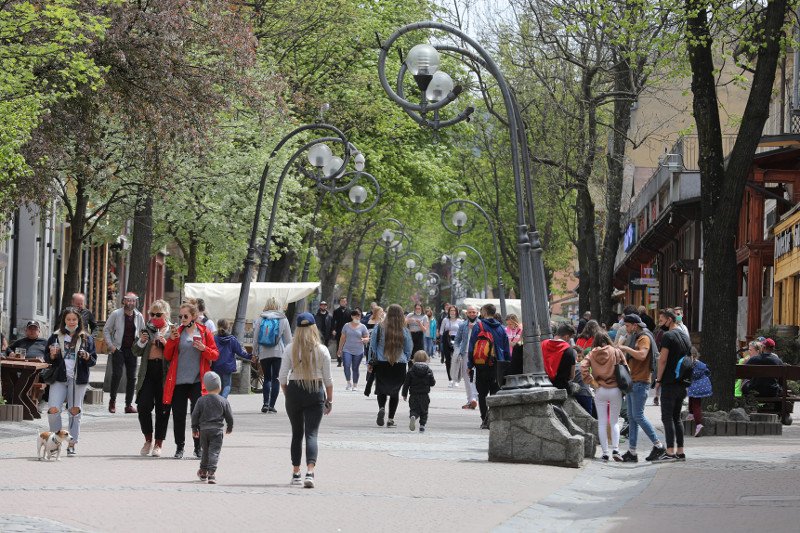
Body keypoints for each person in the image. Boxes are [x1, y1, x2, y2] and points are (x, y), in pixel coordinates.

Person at [279, 312, 334, 489]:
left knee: (296, 433)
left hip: (295, 390)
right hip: (315, 390)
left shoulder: (290, 348)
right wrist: (329, 400)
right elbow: (328, 380)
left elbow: (282, 377)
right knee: (312, 434)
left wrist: (288, 394)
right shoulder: (322, 350)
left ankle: (296, 473)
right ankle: (310, 472)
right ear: (313, 328)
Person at [163, 301, 219, 460]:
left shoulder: (204, 332)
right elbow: (167, 356)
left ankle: (197, 447)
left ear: (194, 316)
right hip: (179, 381)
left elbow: (215, 355)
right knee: (179, 415)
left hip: (197, 381)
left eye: (185, 316)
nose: (182, 319)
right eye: (180, 316)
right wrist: (172, 340)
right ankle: (179, 447)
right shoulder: (177, 332)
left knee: (198, 416)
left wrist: (204, 348)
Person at [45, 307, 97, 456]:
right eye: (68, 319)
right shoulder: (55, 337)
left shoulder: (86, 338)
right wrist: (52, 355)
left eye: (74, 319)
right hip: (59, 378)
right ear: (64, 321)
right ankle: (55, 442)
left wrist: (87, 356)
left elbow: (93, 361)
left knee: (75, 411)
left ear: (79, 321)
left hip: (77, 379)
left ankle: (72, 444)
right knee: (53, 409)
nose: (71, 322)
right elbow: (47, 359)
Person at [617, 314, 665, 463]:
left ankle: (659, 445)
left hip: (641, 382)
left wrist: (624, 347)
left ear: (635, 325)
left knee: (638, 416)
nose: (626, 328)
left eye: (628, 325)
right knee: (632, 418)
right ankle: (632, 451)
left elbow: (642, 355)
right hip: (633, 381)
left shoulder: (644, 338)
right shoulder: (635, 337)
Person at [132, 299, 173, 457]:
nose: (155, 317)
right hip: (147, 372)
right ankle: (148, 439)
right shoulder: (146, 329)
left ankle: (158, 443)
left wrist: (165, 343)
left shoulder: (172, 330)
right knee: (143, 406)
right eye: (152, 314)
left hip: (164, 373)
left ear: (166, 314)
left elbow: (176, 353)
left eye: (158, 314)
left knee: (163, 410)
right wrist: (142, 342)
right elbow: (135, 351)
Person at [580, 332, 628, 462]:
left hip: (600, 390)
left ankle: (605, 453)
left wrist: (592, 382)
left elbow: (582, 367)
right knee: (614, 422)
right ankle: (616, 450)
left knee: (602, 422)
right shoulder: (616, 351)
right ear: (607, 339)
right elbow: (626, 368)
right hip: (615, 389)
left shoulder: (592, 353)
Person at [654, 308, 692, 462]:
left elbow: (662, 360)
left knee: (667, 417)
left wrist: (658, 380)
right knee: (677, 418)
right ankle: (680, 451)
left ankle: (669, 451)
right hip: (682, 382)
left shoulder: (668, 336)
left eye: (662, 321)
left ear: (669, 320)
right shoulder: (685, 336)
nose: (660, 324)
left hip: (669, 381)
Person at [368, 303, 412, 428]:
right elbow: (409, 348)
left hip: (382, 363)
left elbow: (372, 346)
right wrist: (406, 358)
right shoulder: (404, 330)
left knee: (381, 389)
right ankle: (391, 419)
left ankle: (382, 408)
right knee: (394, 392)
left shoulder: (379, 327)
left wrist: (371, 360)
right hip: (399, 364)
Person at [467, 303, 511, 430]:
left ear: (485, 312)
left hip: (482, 364)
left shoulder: (478, 326)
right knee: (494, 393)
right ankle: (492, 419)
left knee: (482, 394)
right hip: (498, 364)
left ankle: (484, 420)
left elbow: (472, 347)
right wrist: (507, 364)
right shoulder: (502, 328)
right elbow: (506, 349)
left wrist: (470, 364)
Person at [103, 292, 146, 414]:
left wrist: (141, 344)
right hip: (119, 349)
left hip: (132, 350)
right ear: (124, 301)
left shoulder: (138, 316)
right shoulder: (116, 314)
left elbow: (143, 332)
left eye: (133, 301)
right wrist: (111, 346)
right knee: (117, 375)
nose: (131, 303)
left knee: (132, 378)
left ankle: (128, 405)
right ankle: (112, 401)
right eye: (128, 300)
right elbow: (106, 329)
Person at [191, 371, 233, 484]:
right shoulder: (223, 401)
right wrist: (230, 426)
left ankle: (203, 471)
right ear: (219, 386)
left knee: (205, 451)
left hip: (204, 430)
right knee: (214, 452)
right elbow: (229, 416)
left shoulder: (201, 400)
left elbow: (195, 415)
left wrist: (194, 428)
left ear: (205, 386)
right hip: (217, 431)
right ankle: (212, 473)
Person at [253, 298, 293, 413]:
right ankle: (272, 405)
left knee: (267, 378)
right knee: (276, 378)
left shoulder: (261, 318)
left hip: (264, 352)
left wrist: (254, 353)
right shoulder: (283, 319)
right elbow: (288, 339)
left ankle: (265, 404)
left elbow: (255, 338)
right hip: (278, 353)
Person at [212, 319, 250, 398]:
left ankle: (219, 401)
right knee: (227, 385)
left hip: (216, 365)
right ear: (228, 327)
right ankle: (223, 400)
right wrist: (250, 356)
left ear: (218, 326)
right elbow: (240, 352)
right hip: (228, 366)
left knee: (219, 385)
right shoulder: (232, 339)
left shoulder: (214, 338)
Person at [402, 350, 436, 432]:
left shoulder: (411, 371)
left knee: (413, 409)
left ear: (414, 359)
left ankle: (413, 416)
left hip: (413, 395)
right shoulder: (428, 371)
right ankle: (422, 426)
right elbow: (432, 383)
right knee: (424, 411)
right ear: (426, 359)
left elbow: (406, 383)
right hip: (424, 395)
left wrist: (404, 394)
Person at [337, 309, 369, 392]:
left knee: (355, 368)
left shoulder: (363, 327)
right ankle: (348, 382)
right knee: (346, 365)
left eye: (359, 315)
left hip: (358, 350)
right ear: (352, 316)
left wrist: (364, 339)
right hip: (347, 349)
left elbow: (367, 337)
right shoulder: (346, 326)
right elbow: (342, 338)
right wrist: (340, 349)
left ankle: (355, 385)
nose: (357, 317)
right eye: (355, 315)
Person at [454, 305, 479, 410]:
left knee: (476, 377)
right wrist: (458, 351)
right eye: (470, 312)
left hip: (478, 354)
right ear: (466, 313)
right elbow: (457, 340)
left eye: (474, 312)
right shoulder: (463, 325)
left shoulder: (481, 324)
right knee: (467, 378)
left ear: (477, 313)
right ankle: (471, 400)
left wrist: (475, 329)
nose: (472, 314)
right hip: (465, 354)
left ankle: (475, 398)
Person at [541, 323, 577, 390]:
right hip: (561, 387)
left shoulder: (542, 344)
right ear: (566, 337)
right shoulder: (569, 350)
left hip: (542, 384)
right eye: (570, 338)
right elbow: (572, 376)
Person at [687, 347, 712, 437]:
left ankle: (698, 424)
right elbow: (708, 372)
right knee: (694, 400)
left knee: (696, 405)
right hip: (702, 386)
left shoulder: (689, 364)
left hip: (694, 386)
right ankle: (690, 413)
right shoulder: (701, 364)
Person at [441, 306, 463, 386]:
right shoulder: (445, 320)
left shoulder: (460, 321)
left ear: (457, 312)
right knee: (448, 360)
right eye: (451, 310)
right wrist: (446, 333)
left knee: (456, 360)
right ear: (449, 312)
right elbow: (441, 331)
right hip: (447, 340)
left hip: (457, 340)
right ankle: (450, 379)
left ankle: (456, 379)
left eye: (454, 310)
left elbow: (462, 332)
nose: (452, 312)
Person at [331, 297, 350, 367]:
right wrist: (333, 329)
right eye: (342, 301)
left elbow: (351, 322)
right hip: (339, 331)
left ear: (346, 302)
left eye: (344, 301)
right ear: (340, 302)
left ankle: (345, 360)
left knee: (346, 346)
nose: (343, 302)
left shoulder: (349, 311)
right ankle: (339, 360)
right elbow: (333, 321)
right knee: (339, 346)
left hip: (347, 331)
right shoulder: (336, 311)